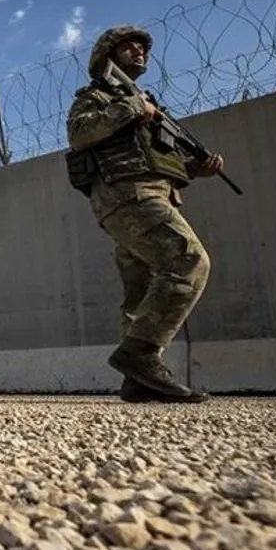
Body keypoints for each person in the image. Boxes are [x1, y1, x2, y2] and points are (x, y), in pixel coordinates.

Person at [65, 25, 224, 404]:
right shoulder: (96, 95)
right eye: (129, 46)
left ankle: (138, 381)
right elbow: (79, 133)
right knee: (188, 259)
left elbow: (152, 161)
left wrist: (193, 169)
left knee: (139, 291)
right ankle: (141, 353)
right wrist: (135, 107)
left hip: (149, 194)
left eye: (143, 48)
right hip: (126, 196)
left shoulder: (147, 103)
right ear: (108, 55)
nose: (139, 51)